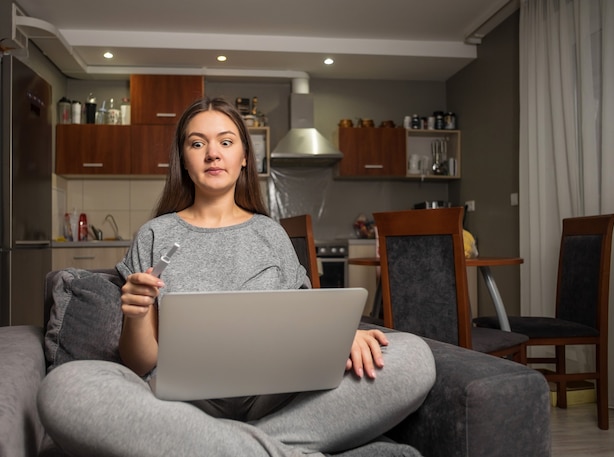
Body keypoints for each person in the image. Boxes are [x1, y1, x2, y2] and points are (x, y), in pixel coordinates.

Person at [37, 97, 436, 457]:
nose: (212, 153)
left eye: (226, 142)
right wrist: (138, 314)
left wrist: (343, 337)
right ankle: (277, 448)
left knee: (414, 357)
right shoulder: (155, 234)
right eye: (197, 143)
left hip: (276, 400)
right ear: (184, 158)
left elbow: (308, 329)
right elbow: (141, 363)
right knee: (67, 387)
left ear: (245, 155)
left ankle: (220, 446)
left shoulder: (271, 234)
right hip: (178, 405)